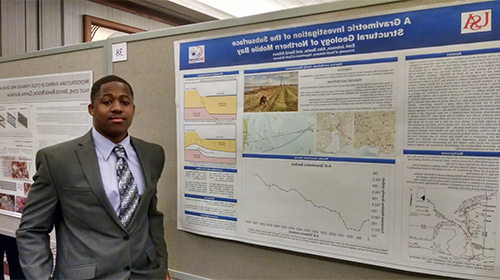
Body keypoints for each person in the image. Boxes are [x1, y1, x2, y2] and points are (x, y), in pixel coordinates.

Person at [16, 75, 170, 280]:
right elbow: (32, 229)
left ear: (133, 108)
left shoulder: (152, 154)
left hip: (145, 273)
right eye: (107, 101)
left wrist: (161, 263)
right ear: (91, 108)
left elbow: (150, 215)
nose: (117, 108)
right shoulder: (57, 160)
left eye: (125, 102)